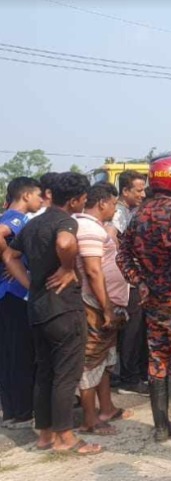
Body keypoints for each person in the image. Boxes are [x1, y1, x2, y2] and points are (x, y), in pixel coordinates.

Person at [3, 172, 102, 455]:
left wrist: (30, 283)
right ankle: (66, 438)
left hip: (37, 306)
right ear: (73, 200)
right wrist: (68, 268)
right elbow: (65, 244)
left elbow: (9, 256)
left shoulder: (32, 225)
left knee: (45, 372)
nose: (84, 203)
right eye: (83, 199)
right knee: (65, 374)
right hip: (63, 309)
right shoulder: (65, 221)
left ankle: (45, 436)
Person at [117, 157, 171, 442]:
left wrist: (139, 282)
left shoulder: (139, 214)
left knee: (158, 360)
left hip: (152, 301)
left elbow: (123, 255)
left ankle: (161, 426)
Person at [73, 182, 133, 435]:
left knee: (105, 358)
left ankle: (106, 407)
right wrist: (106, 307)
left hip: (107, 303)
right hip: (96, 305)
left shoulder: (92, 227)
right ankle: (90, 419)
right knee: (90, 360)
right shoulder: (87, 228)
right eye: (112, 203)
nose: (114, 209)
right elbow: (93, 270)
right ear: (101, 203)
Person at [0, 177, 43, 429]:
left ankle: (12, 411)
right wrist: (8, 258)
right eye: (38, 196)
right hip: (16, 296)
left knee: (7, 355)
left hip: (6, 296)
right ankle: (24, 413)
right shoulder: (17, 219)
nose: (40, 201)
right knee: (21, 355)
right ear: (26, 196)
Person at [110, 170, 149, 396]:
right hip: (127, 282)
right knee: (132, 330)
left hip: (130, 279)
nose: (142, 194)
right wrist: (128, 265)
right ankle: (129, 378)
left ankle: (133, 374)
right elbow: (112, 237)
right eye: (138, 190)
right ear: (125, 191)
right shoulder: (120, 213)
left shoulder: (130, 211)